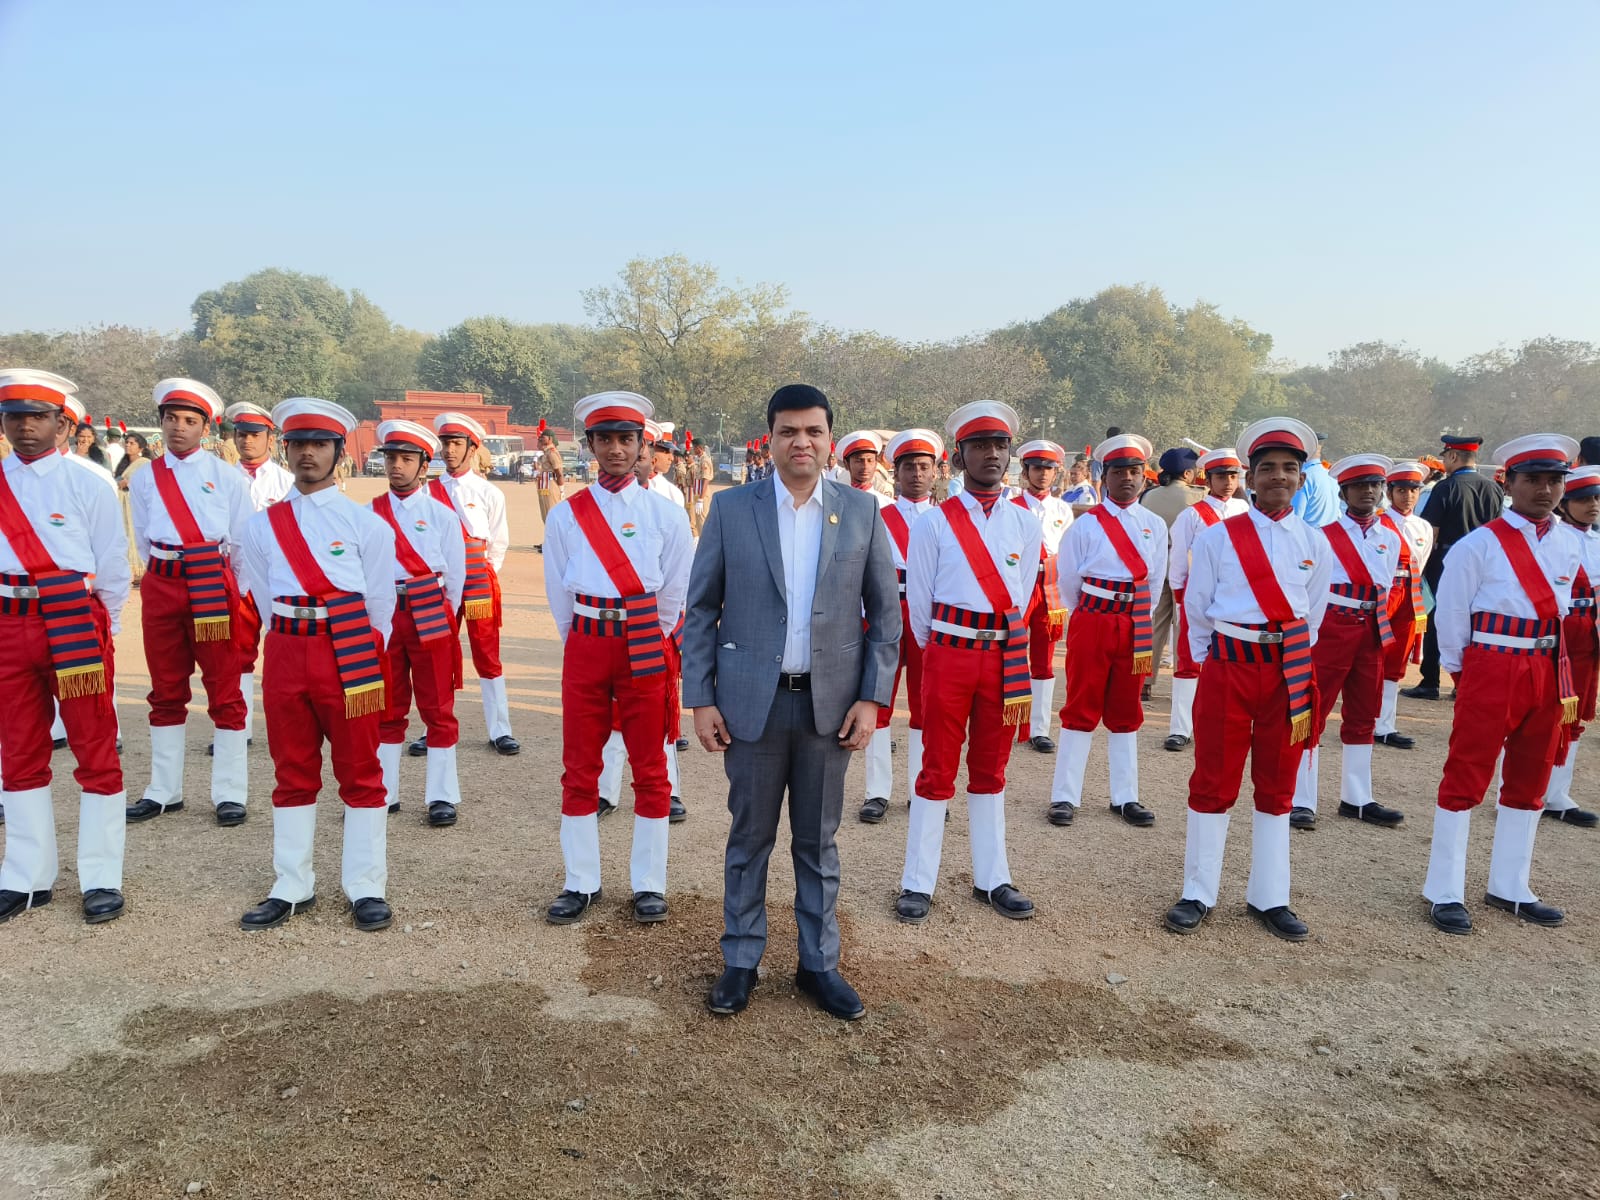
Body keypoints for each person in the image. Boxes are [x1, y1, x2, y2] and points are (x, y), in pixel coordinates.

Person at [685, 384, 898, 1020]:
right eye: (788, 431)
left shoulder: (862, 511)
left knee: (818, 842)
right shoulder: (731, 508)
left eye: (813, 431)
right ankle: (740, 960)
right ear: (770, 439)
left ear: (830, 440)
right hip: (752, 705)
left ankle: (818, 965)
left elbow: (885, 616)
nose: (800, 442)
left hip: (829, 709)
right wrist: (700, 698)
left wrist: (872, 698)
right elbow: (700, 609)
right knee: (749, 838)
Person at [1165, 417, 1331, 942]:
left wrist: (1289, 658)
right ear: (1251, 477)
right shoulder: (1218, 538)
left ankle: (1270, 895)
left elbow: (1314, 614)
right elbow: (1197, 607)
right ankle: (1198, 891)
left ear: (1301, 477)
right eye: (1268, 468)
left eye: (1289, 468)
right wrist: (1212, 664)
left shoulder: (1315, 542)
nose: (1279, 476)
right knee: (1213, 779)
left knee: (1278, 783)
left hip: (1287, 672)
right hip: (1229, 667)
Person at [237, 398, 396, 933]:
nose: (308, 453)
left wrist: (355, 649)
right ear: (286, 449)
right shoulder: (262, 526)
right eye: (298, 444)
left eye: (320, 444)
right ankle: (292, 883)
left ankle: (366, 885)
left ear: (338, 453)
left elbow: (380, 605)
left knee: (361, 770)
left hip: (348, 649)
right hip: (287, 647)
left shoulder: (366, 525)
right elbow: (263, 594)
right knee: (292, 769)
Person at [1421, 434, 1585, 934]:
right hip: (1492, 663)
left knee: (1532, 776)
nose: (1545, 490)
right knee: (1467, 774)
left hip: (1547, 666)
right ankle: (1444, 890)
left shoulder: (1570, 541)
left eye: (1554, 480)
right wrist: (1462, 672)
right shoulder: (1479, 544)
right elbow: (1450, 614)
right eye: (1533, 479)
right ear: (1507, 483)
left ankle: (1510, 885)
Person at [544, 392, 692, 927]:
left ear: (641, 445)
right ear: (589, 445)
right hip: (587, 639)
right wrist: (581, 639)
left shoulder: (665, 514)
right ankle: (580, 881)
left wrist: (650, 633)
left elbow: (675, 589)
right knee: (579, 765)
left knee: (651, 764)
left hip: (643, 639)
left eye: (625, 439)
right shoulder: (566, 515)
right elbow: (558, 591)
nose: (615, 449)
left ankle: (649, 884)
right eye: (603, 439)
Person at [896, 401, 1039, 925]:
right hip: (949, 654)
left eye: (1000, 446)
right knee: (936, 767)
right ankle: (918, 882)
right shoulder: (934, 523)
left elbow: (1022, 595)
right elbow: (920, 604)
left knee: (991, 768)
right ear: (958, 458)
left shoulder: (1025, 523)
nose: (992, 455)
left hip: (1002, 657)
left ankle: (992, 877)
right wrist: (943, 650)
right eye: (980, 446)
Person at [0, 369, 131, 925]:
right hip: (8, 621)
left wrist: (108, 627)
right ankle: (26, 877)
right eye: (15, 416)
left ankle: (101, 877)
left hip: (74, 620)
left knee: (94, 747)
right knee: (18, 752)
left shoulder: (88, 480)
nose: (26, 427)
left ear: (61, 423)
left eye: (38, 416)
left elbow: (113, 563)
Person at [125, 380, 256, 828]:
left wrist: (232, 590)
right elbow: (144, 537)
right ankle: (164, 790)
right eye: (170, 418)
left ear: (205, 428)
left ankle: (230, 792)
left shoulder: (227, 476)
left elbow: (241, 541)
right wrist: (165, 571)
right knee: (165, 688)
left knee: (224, 687)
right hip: (163, 582)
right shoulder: (145, 477)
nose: (178, 427)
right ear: (161, 423)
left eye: (189, 420)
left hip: (211, 582)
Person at [1048, 433, 1167, 828]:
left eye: (1134, 471)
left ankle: (1125, 796)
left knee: (1126, 708)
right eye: (1119, 472)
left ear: (1144, 477)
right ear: (1105, 477)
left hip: (1135, 623)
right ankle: (1065, 795)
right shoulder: (1085, 526)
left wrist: (1137, 615)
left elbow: (1155, 581)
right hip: (1093, 619)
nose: (1127, 478)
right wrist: (1090, 614)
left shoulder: (1153, 525)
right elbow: (1069, 580)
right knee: (1080, 704)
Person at [1288, 455, 1405, 832]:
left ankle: (1357, 797)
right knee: (1314, 709)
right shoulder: (1322, 536)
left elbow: (1387, 585)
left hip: (1372, 628)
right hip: (1333, 625)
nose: (1368, 492)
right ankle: (1300, 797)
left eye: (1374, 485)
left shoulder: (1389, 537)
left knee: (1364, 712)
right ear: (1343, 493)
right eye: (1358, 486)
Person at [369, 420, 465, 826]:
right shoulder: (368, 514)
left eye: (407, 459)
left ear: (424, 466)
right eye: (391, 458)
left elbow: (456, 579)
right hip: (386, 609)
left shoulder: (442, 515)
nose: (397, 466)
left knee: (438, 705)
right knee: (386, 705)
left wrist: (443, 618)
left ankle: (441, 795)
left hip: (429, 607)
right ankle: (384, 791)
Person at [594, 419, 689, 824]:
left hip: (655, 624)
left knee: (658, 712)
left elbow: (678, 573)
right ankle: (605, 790)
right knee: (612, 711)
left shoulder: (670, 500)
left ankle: (669, 790)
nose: (636, 458)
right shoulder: (593, 506)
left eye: (642, 448)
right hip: (608, 628)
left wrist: (664, 626)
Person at [421, 412, 518, 755]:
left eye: (456, 444)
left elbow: (499, 542)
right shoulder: (427, 492)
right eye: (445, 443)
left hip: (477, 579)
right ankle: (433, 727)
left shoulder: (489, 492)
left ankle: (500, 730)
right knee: (436, 654)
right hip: (440, 580)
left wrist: (483, 573)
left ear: (472, 449)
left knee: (487, 655)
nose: (449, 450)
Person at [860, 428, 942, 823]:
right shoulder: (878, 517)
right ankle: (877, 791)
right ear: (896, 473)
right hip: (887, 610)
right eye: (909, 467)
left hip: (929, 613)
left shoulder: (946, 519)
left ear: (935, 472)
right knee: (879, 700)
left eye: (924, 467)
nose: (916, 474)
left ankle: (919, 789)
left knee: (926, 704)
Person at [1406, 434, 1504, 700]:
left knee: (1439, 619)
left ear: (1452, 456)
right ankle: (1465, 682)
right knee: (1475, 621)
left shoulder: (1445, 487)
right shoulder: (1493, 488)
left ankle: (1430, 681)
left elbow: (1432, 531)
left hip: (1446, 560)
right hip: (1484, 563)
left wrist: (1423, 567)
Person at [1164, 448, 1248, 750]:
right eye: (1221, 476)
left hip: (1236, 596)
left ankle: (1222, 723)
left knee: (1232, 660)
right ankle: (1180, 728)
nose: (1228, 482)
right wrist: (1179, 596)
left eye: (1233, 476)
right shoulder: (1192, 515)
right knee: (1188, 659)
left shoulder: (1245, 510)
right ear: (1207, 479)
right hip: (1197, 594)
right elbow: (1178, 557)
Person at [226, 401, 294, 745]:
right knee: (237, 655)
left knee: (287, 654)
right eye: (241, 434)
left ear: (271, 438)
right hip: (237, 580)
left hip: (278, 579)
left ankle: (290, 725)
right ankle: (241, 727)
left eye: (254, 434)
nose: (247, 441)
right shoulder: (222, 480)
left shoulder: (287, 482)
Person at [1542, 466, 1600, 827]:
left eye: (1596, 498)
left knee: (1576, 714)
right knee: (1545, 712)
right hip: (1559, 630)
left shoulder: (1597, 541)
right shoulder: (1552, 539)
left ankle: (1557, 792)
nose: (1593, 505)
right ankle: (1522, 789)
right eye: (1582, 499)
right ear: (1564, 504)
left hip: (1589, 632)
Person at [1009, 440, 1074, 752]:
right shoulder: (1010, 506)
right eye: (1037, 468)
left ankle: (1039, 728)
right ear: (1025, 471)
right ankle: (1009, 720)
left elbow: (1068, 554)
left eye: (1049, 468)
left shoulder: (1063, 509)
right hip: (1019, 585)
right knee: (1011, 653)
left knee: (1044, 660)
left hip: (1050, 588)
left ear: (1056, 472)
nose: (1043, 474)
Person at [1372, 461, 1435, 749]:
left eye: (1413, 490)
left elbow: (1422, 563)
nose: (1408, 496)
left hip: (1411, 596)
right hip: (1385, 593)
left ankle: (1385, 725)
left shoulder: (1423, 527)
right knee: (1373, 657)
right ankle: (1365, 718)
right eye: (1401, 490)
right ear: (1389, 492)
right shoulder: (1377, 523)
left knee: (1396, 663)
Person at [1290, 431, 1340, 527]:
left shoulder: (1304, 478)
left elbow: (1294, 520)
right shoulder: (1331, 476)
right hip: (1330, 534)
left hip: (1308, 535)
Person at [534, 425, 565, 550]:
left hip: (551, 484)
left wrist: (561, 489)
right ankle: (548, 541)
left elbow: (559, 472)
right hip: (544, 484)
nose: (541, 438)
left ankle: (555, 543)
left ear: (550, 439)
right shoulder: (545, 453)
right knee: (545, 514)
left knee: (551, 514)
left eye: (544, 437)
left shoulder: (552, 453)